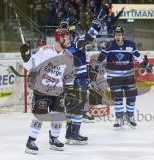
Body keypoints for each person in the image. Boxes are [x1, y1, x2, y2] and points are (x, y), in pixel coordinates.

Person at [20, 28, 75, 154]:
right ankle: (31, 141)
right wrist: (26, 57)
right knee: (39, 116)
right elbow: (30, 66)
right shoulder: (44, 51)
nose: (69, 40)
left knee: (58, 116)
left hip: (58, 91)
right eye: (67, 37)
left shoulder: (68, 55)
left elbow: (70, 75)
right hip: (42, 89)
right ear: (60, 38)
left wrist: (70, 91)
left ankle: (54, 139)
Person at [61, 4, 110, 144]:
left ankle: (69, 135)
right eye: (75, 27)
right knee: (78, 106)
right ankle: (74, 135)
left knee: (71, 107)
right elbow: (90, 36)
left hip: (67, 81)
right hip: (77, 80)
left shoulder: (62, 44)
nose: (77, 29)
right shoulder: (75, 41)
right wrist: (99, 20)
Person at [95, 25, 152, 128]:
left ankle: (130, 116)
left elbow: (138, 58)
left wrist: (146, 64)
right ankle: (119, 118)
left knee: (131, 97)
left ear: (123, 35)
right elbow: (101, 58)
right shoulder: (108, 45)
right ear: (114, 35)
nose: (118, 37)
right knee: (118, 99)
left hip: (128, 76)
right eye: (116, 35)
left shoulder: (131, 45)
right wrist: (96, 66)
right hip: (113, 77)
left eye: (120, 35)